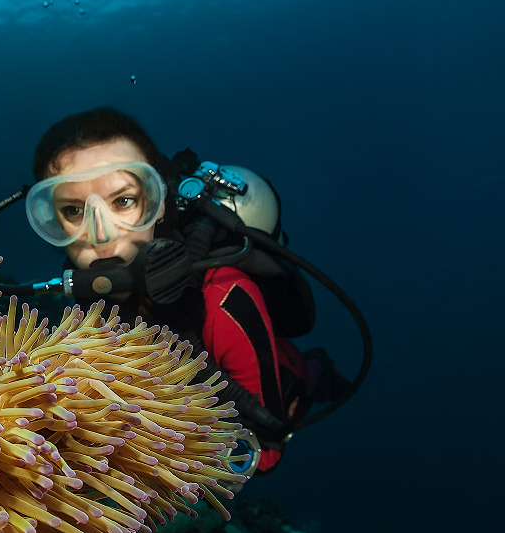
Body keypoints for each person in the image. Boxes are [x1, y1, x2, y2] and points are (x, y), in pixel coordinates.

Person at [23, 107, 351, 477]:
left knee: (305, 378)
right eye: (73, 209)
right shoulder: (81, 296)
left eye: (124, 201)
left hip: (283, 376)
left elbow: (266, 452)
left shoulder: (224, 294)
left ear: (158, 202)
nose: (101, 234)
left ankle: (318, 368)